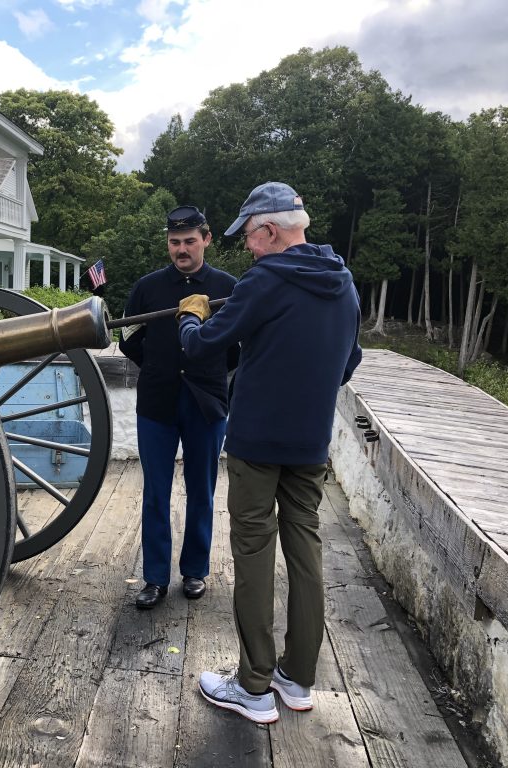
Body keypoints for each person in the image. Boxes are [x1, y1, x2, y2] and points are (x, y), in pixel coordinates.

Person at [176, 182, 362, 723]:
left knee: (254, 555)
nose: (248, 250)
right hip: (310, 443)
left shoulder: (265, 279)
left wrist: (191, 314)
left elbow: (205, 346)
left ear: (271, 230)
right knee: (307, 553)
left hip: (257, 443)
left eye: (251, 238)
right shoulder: (343, 283)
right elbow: (348, 361)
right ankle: (297, 678)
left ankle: (253, 685)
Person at [119, 205, 238, 609]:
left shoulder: (228, 286)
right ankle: (154, 578)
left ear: (206, 239)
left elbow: (238, 348)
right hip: (157, 401)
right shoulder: (147, 287)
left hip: (206, 402)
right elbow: (129, 338)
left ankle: (195, 571)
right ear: (167, 244)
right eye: (174, 242)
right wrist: (158, 366)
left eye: (189, 241)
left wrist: (209, 370)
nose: (181, 249)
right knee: (155, 492)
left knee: (201, 490)